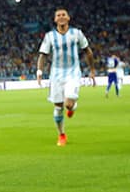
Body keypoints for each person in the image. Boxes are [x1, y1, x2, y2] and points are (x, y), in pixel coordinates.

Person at [36, 8, 96, 147]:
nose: (61, 17)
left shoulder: (77, 33)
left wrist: (92, 70)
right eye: (58, 15)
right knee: (58, 107)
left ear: (68, 18)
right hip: (56, 74)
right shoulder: (50, 36)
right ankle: (61, 134)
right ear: (55, 19)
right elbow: (42, 55)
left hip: (73, 72)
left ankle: (72, 106)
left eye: (64, 15)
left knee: (68, 103)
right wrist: (39, 72)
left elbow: (88, 51)